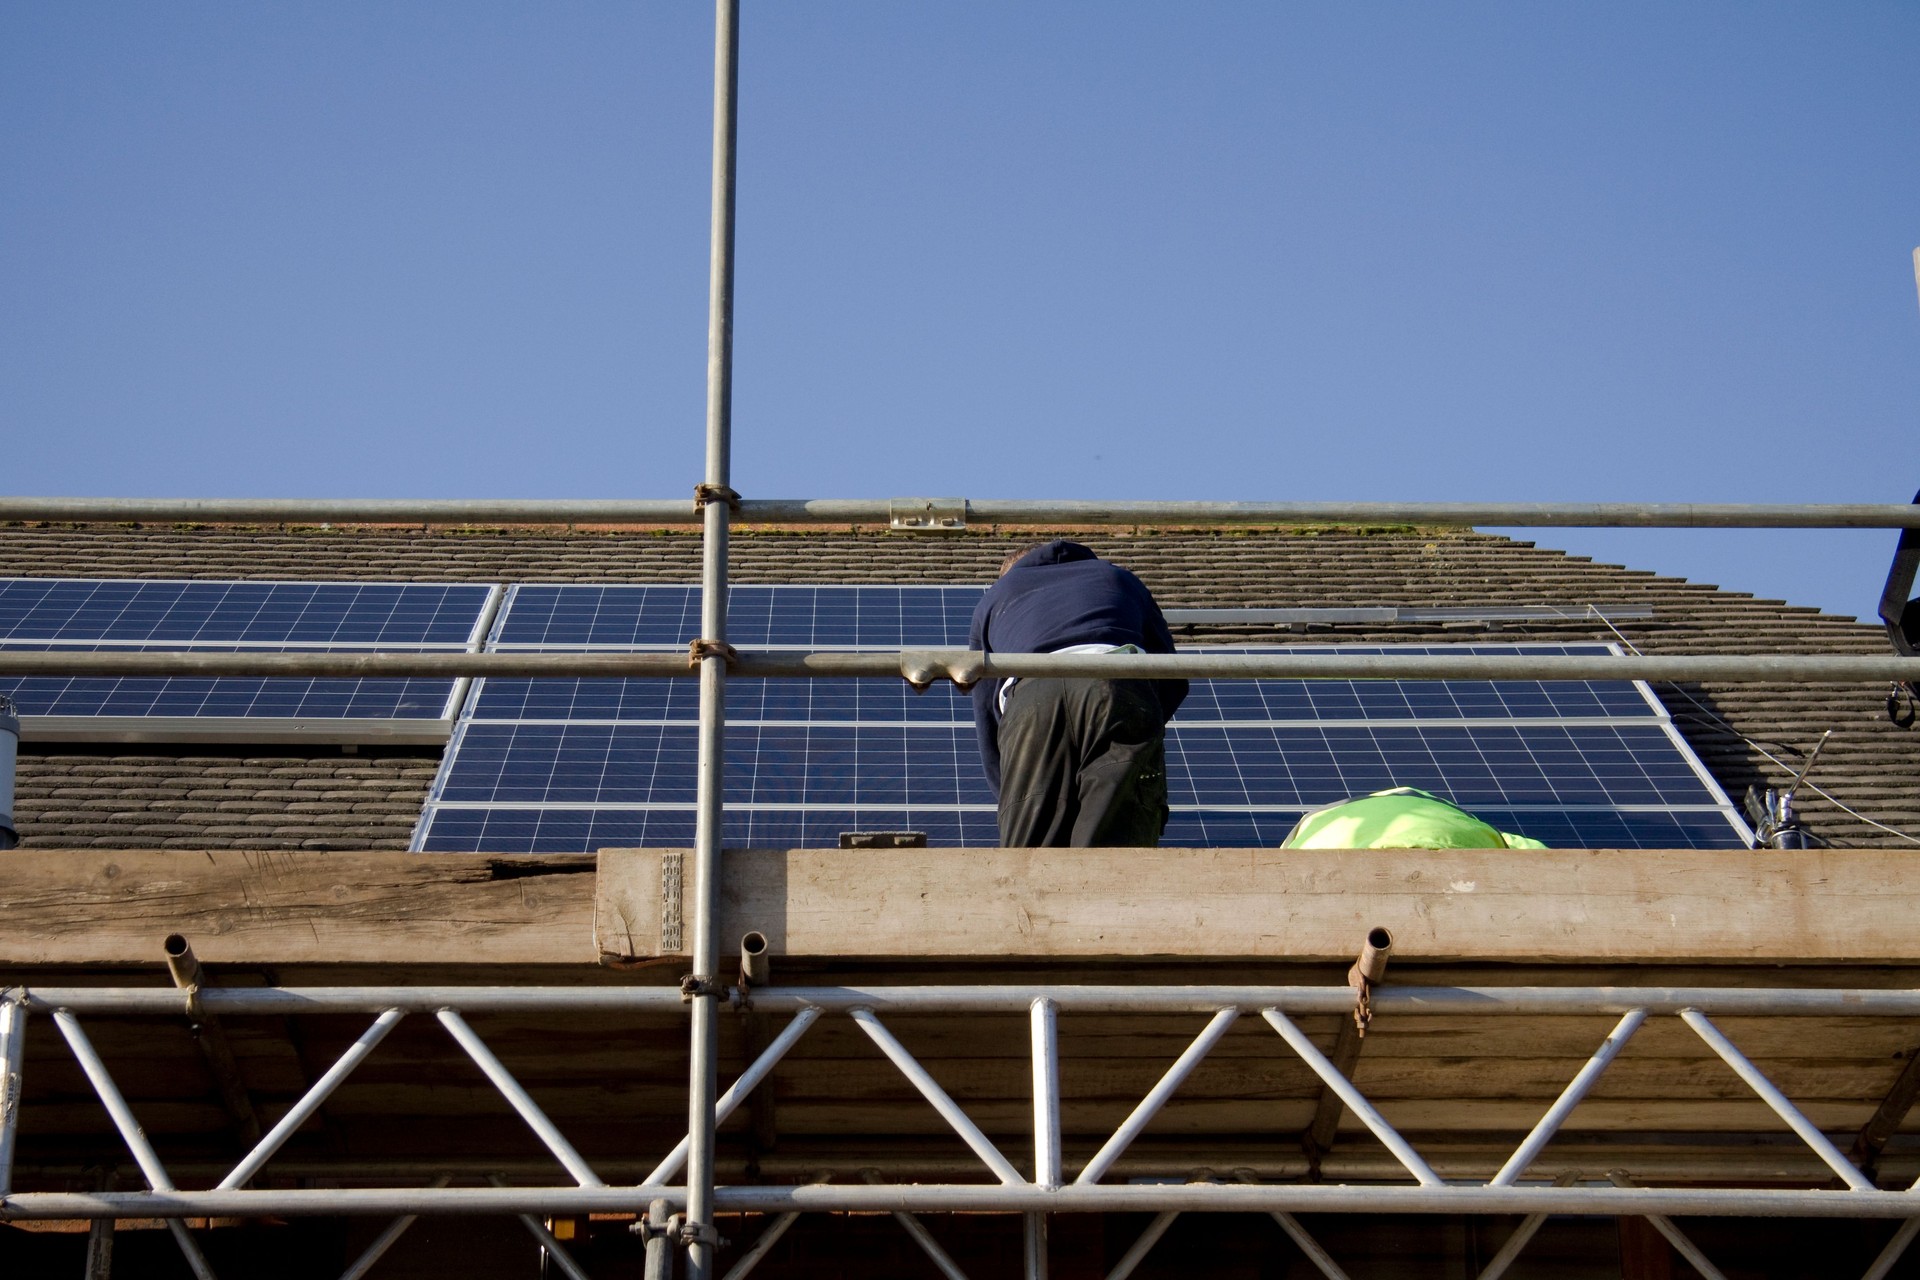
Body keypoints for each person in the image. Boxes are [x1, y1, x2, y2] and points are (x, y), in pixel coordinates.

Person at [969, 540, 1188, 846]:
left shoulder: (997, 595)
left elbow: (985, 704)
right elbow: (1171, 672)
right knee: (1113, 845)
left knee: (1031, 857)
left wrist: (1012, 789)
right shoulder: (1119, 578)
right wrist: (1138, 722)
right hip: (1115, 681)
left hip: (1031, 699)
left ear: (1012, 571)